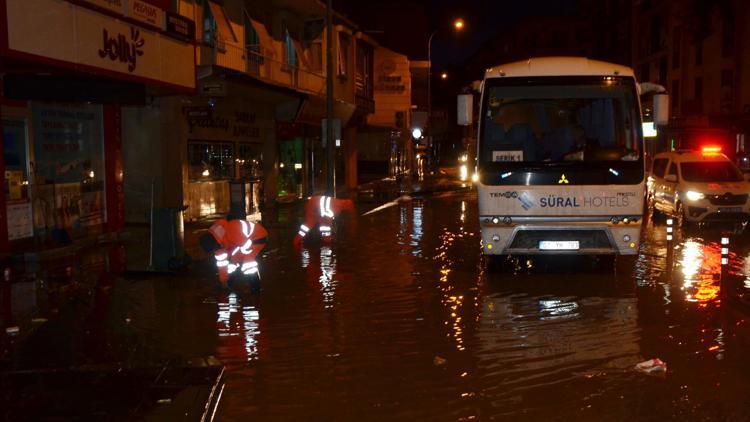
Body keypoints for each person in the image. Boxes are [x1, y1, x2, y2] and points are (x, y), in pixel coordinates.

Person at [200, 213, 268, 287]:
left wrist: (236, 259)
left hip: (257, 237)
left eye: (214, 249)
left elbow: (246, 247)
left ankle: (255, 286)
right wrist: (223, 281)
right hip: (240, 243)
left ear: (215, 244)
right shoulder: (217, 245)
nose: (215, 251)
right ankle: (229, 283)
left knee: (248, 263)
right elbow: (222, 264)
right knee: (232, 263)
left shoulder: (231, 230)